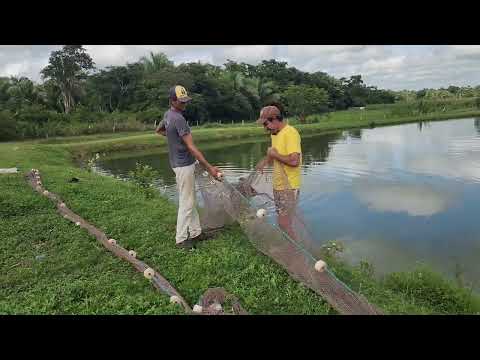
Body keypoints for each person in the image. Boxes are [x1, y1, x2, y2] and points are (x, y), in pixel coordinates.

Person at [156, 85, 221, 250]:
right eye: (181, 101)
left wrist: (173, 138)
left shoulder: (168, 115)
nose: (184, 104)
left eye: (185, 100)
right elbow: (192, 147)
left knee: (189, 198)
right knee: (187, 202)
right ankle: (181, 239)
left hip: (178, 164)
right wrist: (210, 168)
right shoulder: (178, 119)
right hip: (184, 165)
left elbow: (159, 130)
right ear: (172, 100)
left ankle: (196, 232)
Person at [256, 104, 302, 241]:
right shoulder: (275, 134)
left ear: (275, 119)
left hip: (289, 187)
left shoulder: (290, 133)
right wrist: (265, 161)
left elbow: (294, 161)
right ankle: (290, 248)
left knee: (285, 223)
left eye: (266, 124)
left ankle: (296, 254)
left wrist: (274, 155)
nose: (265, 128)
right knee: (283, 223)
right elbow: (275, 153)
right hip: (278, 186)